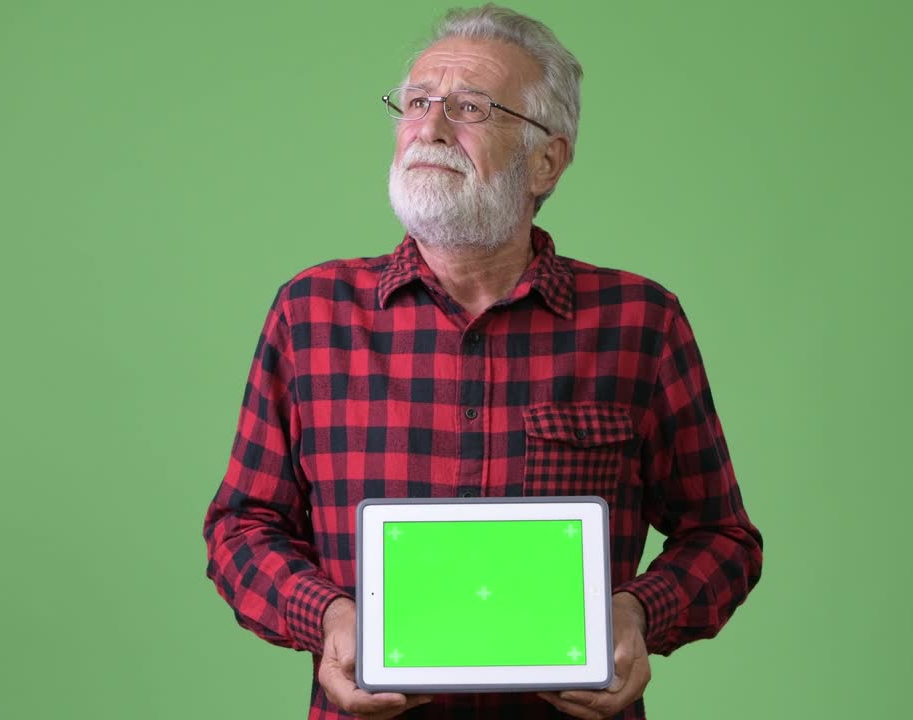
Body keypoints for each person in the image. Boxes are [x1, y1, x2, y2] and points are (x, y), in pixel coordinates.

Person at [202, 5, 764, 719]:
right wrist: (330, 620)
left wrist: (638, 612)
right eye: (415, 102)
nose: (429, 128)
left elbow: (723, 538)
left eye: (469, 107)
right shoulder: (310, 313)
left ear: (547, 159)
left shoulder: (640, 322)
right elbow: (240, 528)